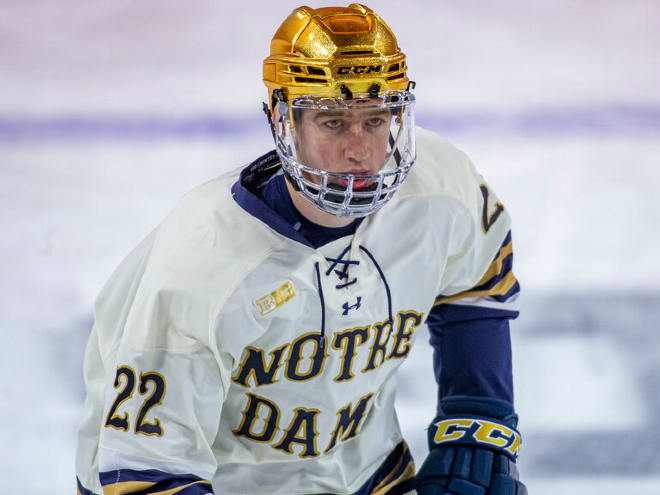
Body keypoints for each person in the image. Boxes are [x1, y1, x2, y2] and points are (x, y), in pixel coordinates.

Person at [75, 4, 526, 494]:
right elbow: (147, 472)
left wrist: (477, 420)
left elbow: (479, 276)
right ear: (283, 122)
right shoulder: (200, 267)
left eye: (375, 120)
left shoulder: (439, 187)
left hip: (369, 474)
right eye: (333, 123)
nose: (360, 150)